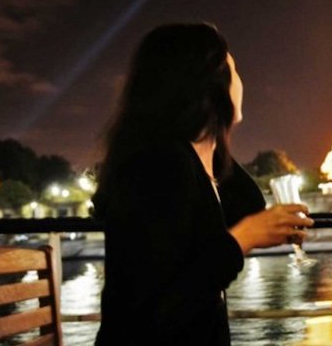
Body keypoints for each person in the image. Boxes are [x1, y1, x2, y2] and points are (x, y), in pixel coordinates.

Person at [92, 23, 313, 345]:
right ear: (209, 83)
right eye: (233, 70)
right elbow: (156, 310)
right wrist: (243, 239)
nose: (241, 82)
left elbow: (249, 205)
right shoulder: (159, 166)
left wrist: (210, 139)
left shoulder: (186, 161)